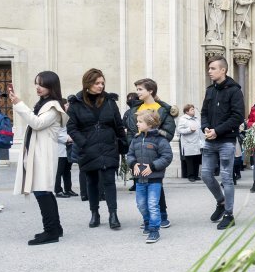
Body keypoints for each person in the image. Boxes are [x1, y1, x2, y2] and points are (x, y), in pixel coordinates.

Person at [9, 71, 68, 245]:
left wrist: (19, 104)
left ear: (51, 86)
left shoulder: (53, 106)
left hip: (44, 154)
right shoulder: (44, 103)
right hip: (39, 153)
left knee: (43, 191)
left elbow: (36, 123)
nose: (38, 87)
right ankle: (55, 229)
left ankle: (51, 232)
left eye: (41, 84)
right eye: (36, 83)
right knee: (44, 192)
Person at [67, 68, 126, 229]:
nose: (100, 86)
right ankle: (95, 213)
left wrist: (123, 144)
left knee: (109, 181)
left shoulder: (109, 101)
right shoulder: (76, 103)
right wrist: (83, 143)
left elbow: (119, 125)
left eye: (102, 83)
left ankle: (113, 214)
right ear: (88, 84)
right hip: (88, 148)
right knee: (91, 182)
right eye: (97, 83)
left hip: (108, 145)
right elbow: (72, 128)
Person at [125, 78, 177, 228]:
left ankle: (162, 215)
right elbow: (131, 131)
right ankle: (148, 218)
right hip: (138, 152)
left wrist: (154, 135)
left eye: (140, 89)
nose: (137, 92)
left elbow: (169, 132)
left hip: (154, 152)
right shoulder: (135, 109)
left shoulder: (161, 109)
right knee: (141, 186)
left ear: (150, 91)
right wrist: (132, 148)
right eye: (137, 89)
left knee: (155, 184)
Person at [201, 56, 245, 230]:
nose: (209, 71)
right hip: (210, 140)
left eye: (212, 68)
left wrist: (217, 131)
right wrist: (205, 128)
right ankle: (221, 202)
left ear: (223, 70)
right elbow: (204, 112)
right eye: (209, 68)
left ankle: (229, 214)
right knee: (205, 174)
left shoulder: (234, 91)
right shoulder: (210, 90)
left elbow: (237, 116)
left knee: (226, 177)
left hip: (226, 140)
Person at [127, 110, 173, 244]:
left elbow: (167, 156)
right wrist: (133, 163)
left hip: (154, 179)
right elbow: (130, 155)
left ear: (150, 124)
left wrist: (152, 166)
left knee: (152, 204)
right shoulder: (135, 139)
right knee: (141, 204)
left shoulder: (160, 139)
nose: (137, 124)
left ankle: (154, 230)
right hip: (139, 179)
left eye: (140, 121)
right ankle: (147, 222)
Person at [176, 104, 203, 182]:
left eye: (193, 109)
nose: (193, 110)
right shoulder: (183, 119)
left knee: (196, 159)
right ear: (187, 111)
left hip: (197, 143)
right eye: (191, 109)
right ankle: (190, 175)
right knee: (190, 160)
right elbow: (179, 130)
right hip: (188, 143)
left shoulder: (196, 119)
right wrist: (189, 129)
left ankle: (196, 175)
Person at [54, 107, 77, 198]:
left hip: (68, 147)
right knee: (59, 171)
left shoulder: (67, 117)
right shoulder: (56, 118)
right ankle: (58, 190)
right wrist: (67, 138)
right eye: (66, 104)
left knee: (67, 170)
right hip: (60, 148)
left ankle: (68, 189)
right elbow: (55, 133)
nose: (68, 106)